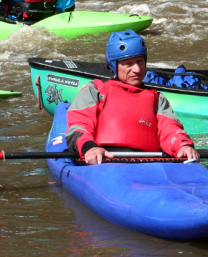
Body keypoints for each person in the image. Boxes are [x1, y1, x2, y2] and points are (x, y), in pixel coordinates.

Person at [65, 29, 199, 165]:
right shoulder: (95, 90)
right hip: (104, 161)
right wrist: (89, 147)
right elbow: (79, 125)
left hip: (148, 163)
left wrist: (182, 145)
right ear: (114, 64)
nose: (137, 69)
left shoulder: (156, 98)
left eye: (140, 61)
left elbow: (169, 128)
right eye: (128, 63)